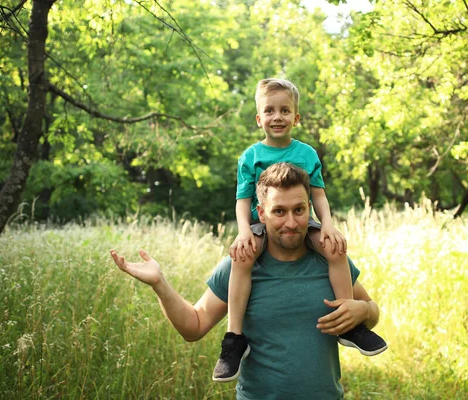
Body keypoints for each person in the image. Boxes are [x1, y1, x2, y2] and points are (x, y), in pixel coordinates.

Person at [110, 163, 387, 399]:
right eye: (279, 211)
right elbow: (193, 327)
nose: (291, 222)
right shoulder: (241, 263)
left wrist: (364, 311)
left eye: (299, 210)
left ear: (309, 209)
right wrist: (160, 283)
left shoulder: (330, 259)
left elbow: (370, 313)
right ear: (262, 213)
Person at [217, 78, 387, 382]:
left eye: (285, 110)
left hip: (302, 220)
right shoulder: (251, 156)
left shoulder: (307, 154)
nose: (277, 117)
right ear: (259, 119)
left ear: (296, 117)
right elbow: (242, 202)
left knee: (335, 247)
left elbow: (318, 194)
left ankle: (349, 323)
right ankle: (234, 339)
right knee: (242, 258)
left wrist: (328, 227)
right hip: (262, 222)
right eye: (269, 111)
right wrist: (244, 232)